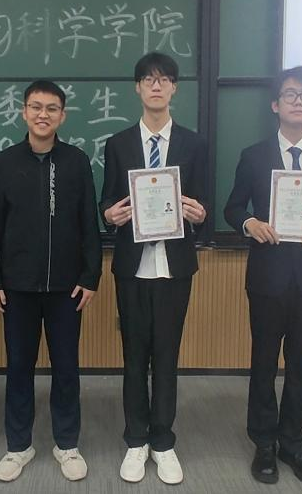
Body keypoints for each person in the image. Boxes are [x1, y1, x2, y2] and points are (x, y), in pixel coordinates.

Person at [223, 66, 302, 487]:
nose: (299, 101)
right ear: (275, 104)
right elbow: (233, 207)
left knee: (301, 364)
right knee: (263, 362)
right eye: (290, 94)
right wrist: (249, 224)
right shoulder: (254, 155)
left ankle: (293, 443)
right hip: (268, 276)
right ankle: (263, 442)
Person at [0, 80, 102, 483]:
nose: (43, 114)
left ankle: (67, 443)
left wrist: (90, 276)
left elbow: (88, 222)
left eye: (52, 108)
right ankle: (19, 446)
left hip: (67, 288)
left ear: (62, 116)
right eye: (36, 107)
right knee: (19, 367)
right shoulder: (5, 162)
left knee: (66, 367)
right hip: (16, 287)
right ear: (23, 112)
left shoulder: (76, 161)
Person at [99, 52, 208, 485]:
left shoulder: (194, 144)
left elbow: (205, 203)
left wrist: (199, 213)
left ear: (174, 88)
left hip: (174, 266)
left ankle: (162, 441)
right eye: (148, 79)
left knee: (166, 356)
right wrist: (109, 215)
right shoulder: (118, 143)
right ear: (138, 88)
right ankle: (135, 439)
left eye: (164, 79)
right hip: (132, 265)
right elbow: (107, 199)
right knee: (133, 357)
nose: (156, 86)